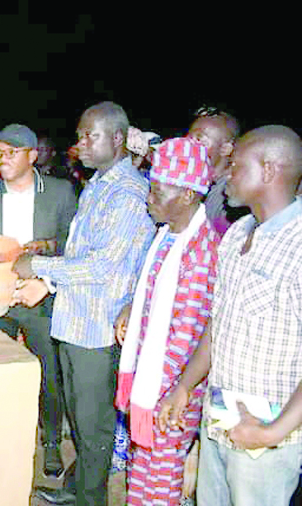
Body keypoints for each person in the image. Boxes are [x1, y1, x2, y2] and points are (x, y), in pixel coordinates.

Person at [13, 102, 155, 506]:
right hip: (76, 320)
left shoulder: (127, 192)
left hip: (98, 326)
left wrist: (38, 267)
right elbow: (82, 251)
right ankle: (77, 490)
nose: (80, 144)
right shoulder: (99, 183)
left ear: (118, 139)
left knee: (93, 428)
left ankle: (90, 500)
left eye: (90, 135)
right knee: (81, 419)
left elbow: (103, 265)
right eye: (79, 136)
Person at [159, 125, 302, 505]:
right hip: (220, 419)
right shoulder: (238, 233)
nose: (226, 178)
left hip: (270, 435)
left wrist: (271, 433)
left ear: (269, 171)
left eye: (237, 167)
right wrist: (186, 386)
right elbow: (217, 323)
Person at [112, 137, 220, 505]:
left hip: (171, 391)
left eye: (158, 192)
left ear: (188, 196)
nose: (149, 198)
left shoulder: (200, 251)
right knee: (141, 472)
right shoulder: (167, 236)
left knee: (160, 480)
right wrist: (132, 309)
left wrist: (165, 394)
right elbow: (153, 298)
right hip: (152, 382)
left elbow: (186, 338)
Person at [0, 123, 76, 479]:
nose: (3, 159)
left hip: (41, 296)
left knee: (48, 373)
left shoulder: (60, 193)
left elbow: (69, 247)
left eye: (12, 152)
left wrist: (44, 279)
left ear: (33, 156)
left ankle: (50, 442)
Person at [186, 106, 242, 235]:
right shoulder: (200, 182)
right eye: (189, 137)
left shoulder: (228, 197)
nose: (189, 144)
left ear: (226, 149)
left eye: (199, 139)